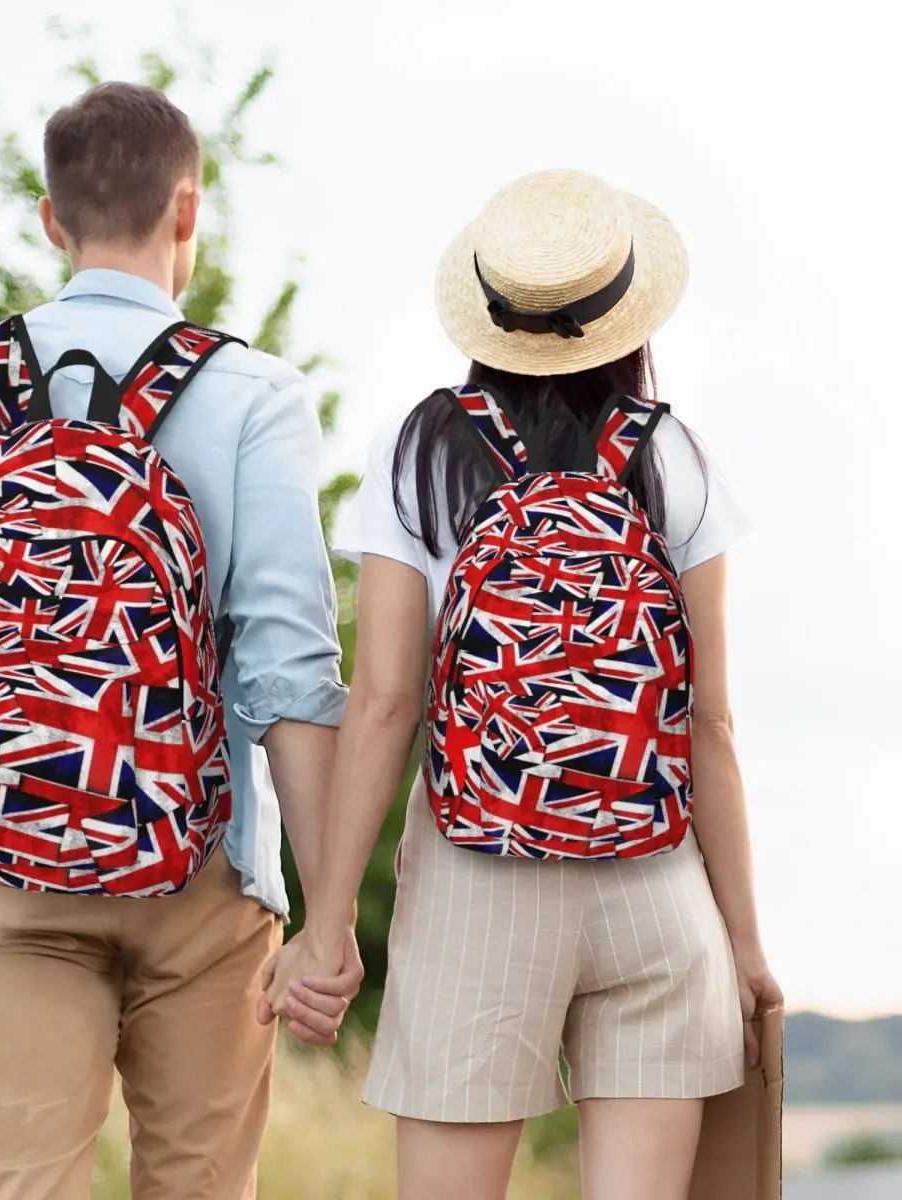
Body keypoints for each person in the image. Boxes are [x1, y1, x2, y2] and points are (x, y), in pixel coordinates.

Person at [0, 81, 362, 1200]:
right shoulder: (253, 395)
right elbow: (292, 679)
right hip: (203, 871)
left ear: (51, 220)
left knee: (28, 1187)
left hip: (2, 868)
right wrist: (329, 915)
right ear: (188, 212)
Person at [262, 169, 783, 1200]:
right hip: (655, 884)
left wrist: (326, 927)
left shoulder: (419, 451)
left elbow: (383, 705)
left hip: (476, 879)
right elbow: (710, 724)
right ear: (627, 315)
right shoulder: (675, 456)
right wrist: (744, 944)